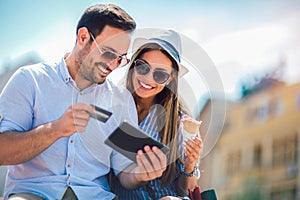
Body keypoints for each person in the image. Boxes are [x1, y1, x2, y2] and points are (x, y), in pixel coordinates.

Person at [0, 4, 167, 200]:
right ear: (83, 37)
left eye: (120, 59)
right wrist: (55, 130)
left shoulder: (121, 101)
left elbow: (124, 173)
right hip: (34, 193)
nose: (113, 65)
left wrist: (142, 174)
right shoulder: (30, 80)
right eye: (108, 53)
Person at [111, 29, 203, 199]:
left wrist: (190, 165)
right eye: (143, 67)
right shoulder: (112, 107)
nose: (148, 78)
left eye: (160, 74)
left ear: (170, 78)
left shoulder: (180, 121)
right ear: (134, 65)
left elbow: (186, 190)